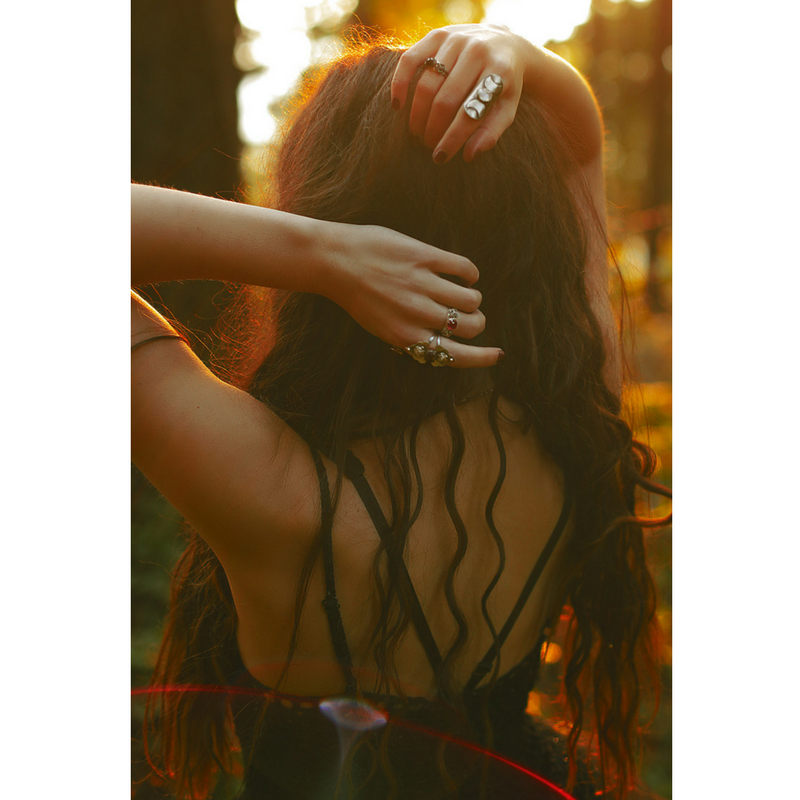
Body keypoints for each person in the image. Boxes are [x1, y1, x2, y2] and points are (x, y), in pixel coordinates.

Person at [133, 24, 670, 800]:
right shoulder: (578, 405)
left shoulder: (274, 489)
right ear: (533, 224)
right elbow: (581, 144)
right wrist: (514, 58)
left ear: (320, 204)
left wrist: (321, 257)